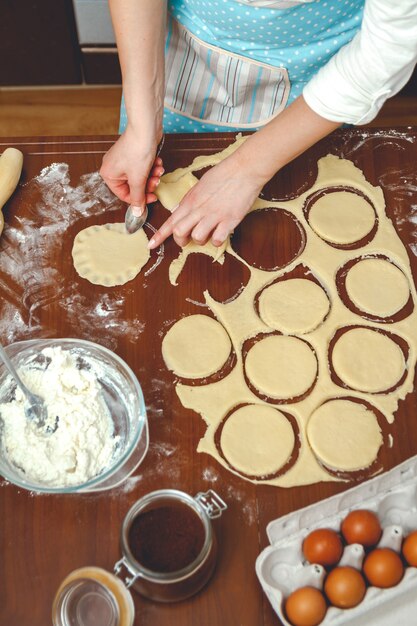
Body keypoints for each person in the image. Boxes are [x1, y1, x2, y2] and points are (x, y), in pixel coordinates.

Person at [100, 0, 417, 251]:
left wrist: (247, 169)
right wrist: (142, 127)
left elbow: (384, 53)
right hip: (179, 54)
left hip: (314, 84)